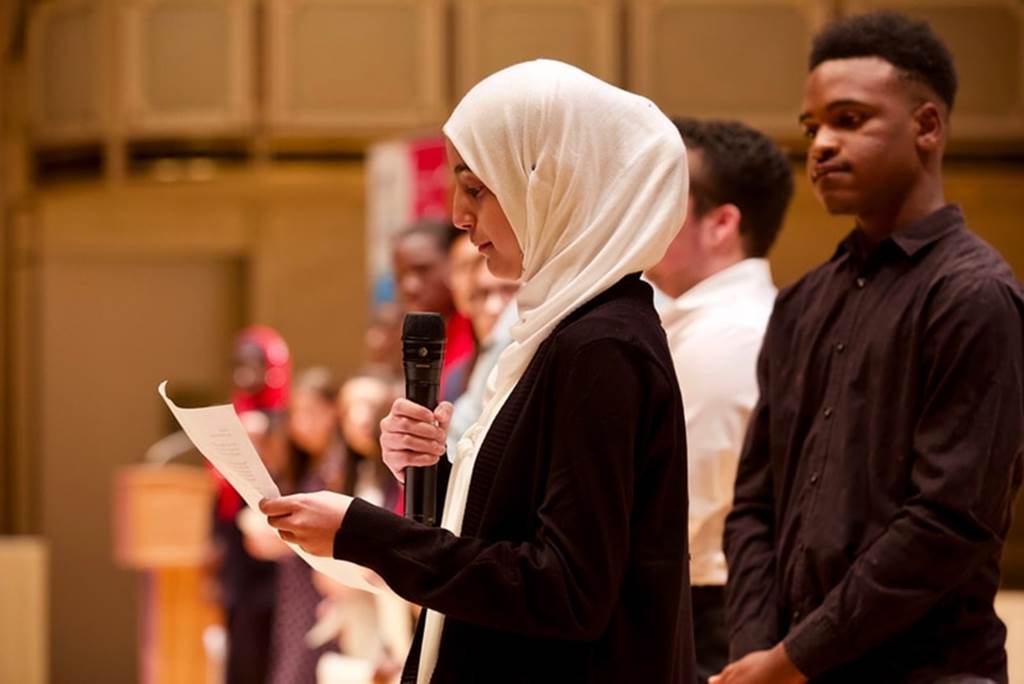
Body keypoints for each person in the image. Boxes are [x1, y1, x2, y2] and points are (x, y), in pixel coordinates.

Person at [260, 59, 696, 683]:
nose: (461, 219)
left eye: (477, 189)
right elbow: (520, 528)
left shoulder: (602, 346)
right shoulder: (559, 333)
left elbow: (564, 590)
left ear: (554, 184)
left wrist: (366, 533)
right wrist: (433, 469)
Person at [714, 11, 1024, 684]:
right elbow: (754, 507)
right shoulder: (803, 301)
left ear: (928, 127)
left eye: (849, 120)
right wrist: (753, 651)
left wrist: (791, 659)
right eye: (812, 127)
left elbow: (948, 523)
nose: (821, 145)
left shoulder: (973, 294)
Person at [645, 117, 793, 684]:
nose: (643, 205)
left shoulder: (730, 334)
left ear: (721, 223)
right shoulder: (709, 320)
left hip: (714, 608)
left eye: (664, 193)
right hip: (708, 598)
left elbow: (675, 507)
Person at [391, 219, 474, 400]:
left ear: (454, 263)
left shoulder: (482, 325)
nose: (409, 286)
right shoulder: (410, 336)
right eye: (400, 275)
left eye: (422, 270)